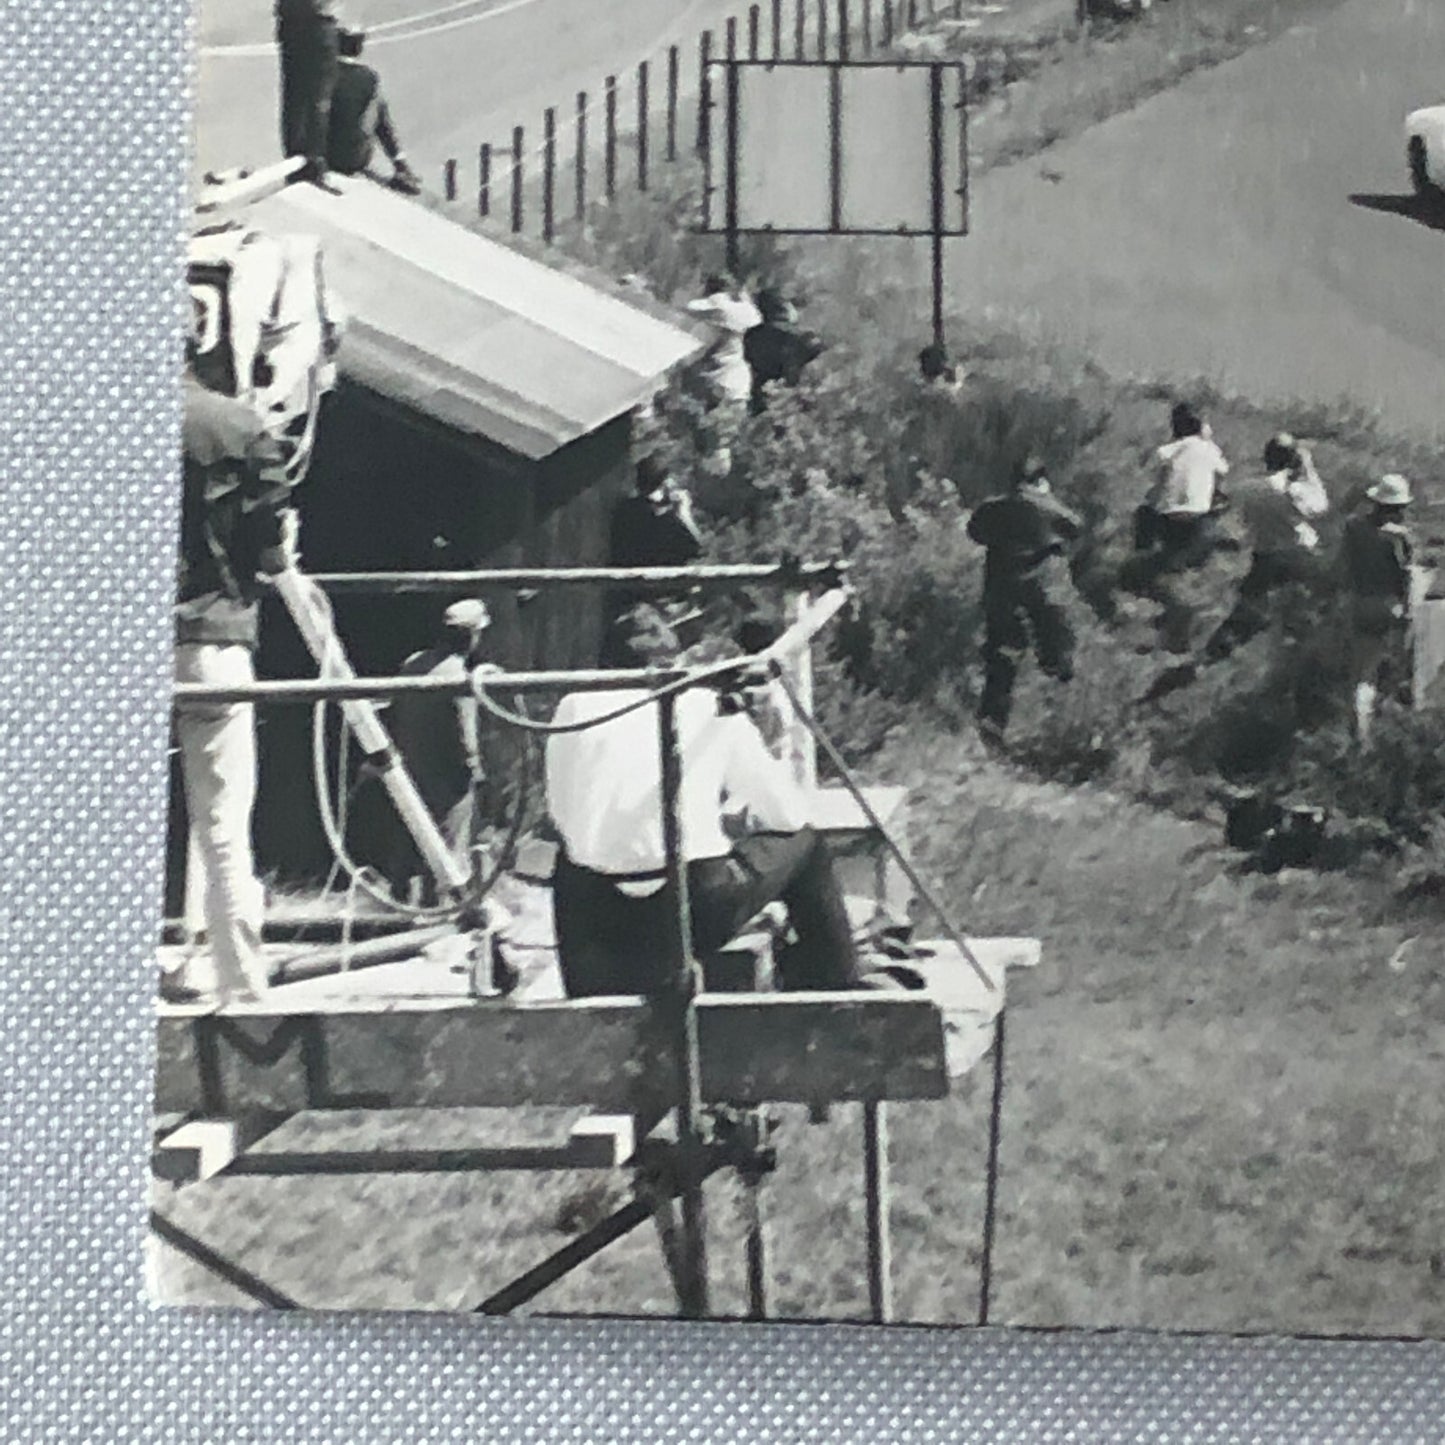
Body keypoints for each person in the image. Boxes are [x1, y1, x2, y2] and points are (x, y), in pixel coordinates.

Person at [545, 605, 864, 998]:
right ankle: (836, 987)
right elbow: (787, 814)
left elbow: (561, 815)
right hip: (694, 905)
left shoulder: (572, 707)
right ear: (675, 663)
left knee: (569, 860)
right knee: (806, 842)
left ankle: (584, 995)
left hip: (601, 913)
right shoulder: (707, 704)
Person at [167, 375, 296, 1004]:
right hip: (211, 641)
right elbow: (272, 556)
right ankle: (244, 992)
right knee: (222, 827)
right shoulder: (239, 427)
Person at [382, 599, 494, 900]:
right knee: (447, 844)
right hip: (448, 774)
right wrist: (475, 771)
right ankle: (439, 910)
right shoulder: (459, 677)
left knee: (410, 835)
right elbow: (464, 732)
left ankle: (398, 907)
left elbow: (396, 711)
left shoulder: (412, 664)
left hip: (409, 765)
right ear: (472, 636)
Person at [965, 457, 1083, 739]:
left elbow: (974, 531)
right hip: (1040, 588)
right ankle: (1067, 713)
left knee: (1002, 654)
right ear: (1041, 480)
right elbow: (1075, 526)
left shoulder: (991, 509)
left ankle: (992, 722)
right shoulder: (1046, 505)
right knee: (1058, 650)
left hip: (1000, 587)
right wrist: (1047, 498)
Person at [1125, 402, 1231, 652]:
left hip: (1169, 519)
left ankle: (1144, 555)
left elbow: (1153, 488)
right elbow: (1223, 473)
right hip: (1199, 519)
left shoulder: (1167, 451)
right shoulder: (1210, 450)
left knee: (1146, 515)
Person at [1341, 473, 1415, 744]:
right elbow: (1406, 576)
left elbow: (1344, 564)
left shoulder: (1354, 527)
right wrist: (1408, 610)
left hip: (1361, 601)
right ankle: (1393, 734)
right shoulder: (1398, 537)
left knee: (1363, 675)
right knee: (1402, 668)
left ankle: (1361, 736)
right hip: (1391, 605)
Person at [326, 26, 422, 194]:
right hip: (353, 158)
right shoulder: (369, 78)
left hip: (321, 154)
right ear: (359, 49)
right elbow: (381, 124)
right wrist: (400, 162)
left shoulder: (322, 74)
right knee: (375, 110)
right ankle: (400, 168)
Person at [275, 0, 342, 182]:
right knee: (319, 96)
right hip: (318, 22)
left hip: (290, 21)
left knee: (293, 96)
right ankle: (314, 159)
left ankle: (294, 159)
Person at [685, 273, 763, 411]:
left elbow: (692, 307)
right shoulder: (744, 316)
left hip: (711, 382)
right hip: (737, 381)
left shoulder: (713, 317)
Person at [743, 288, 823, 413]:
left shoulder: (751, 335)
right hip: (797, 400)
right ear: (784, 307)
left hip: (761, 397)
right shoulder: (804, 337)